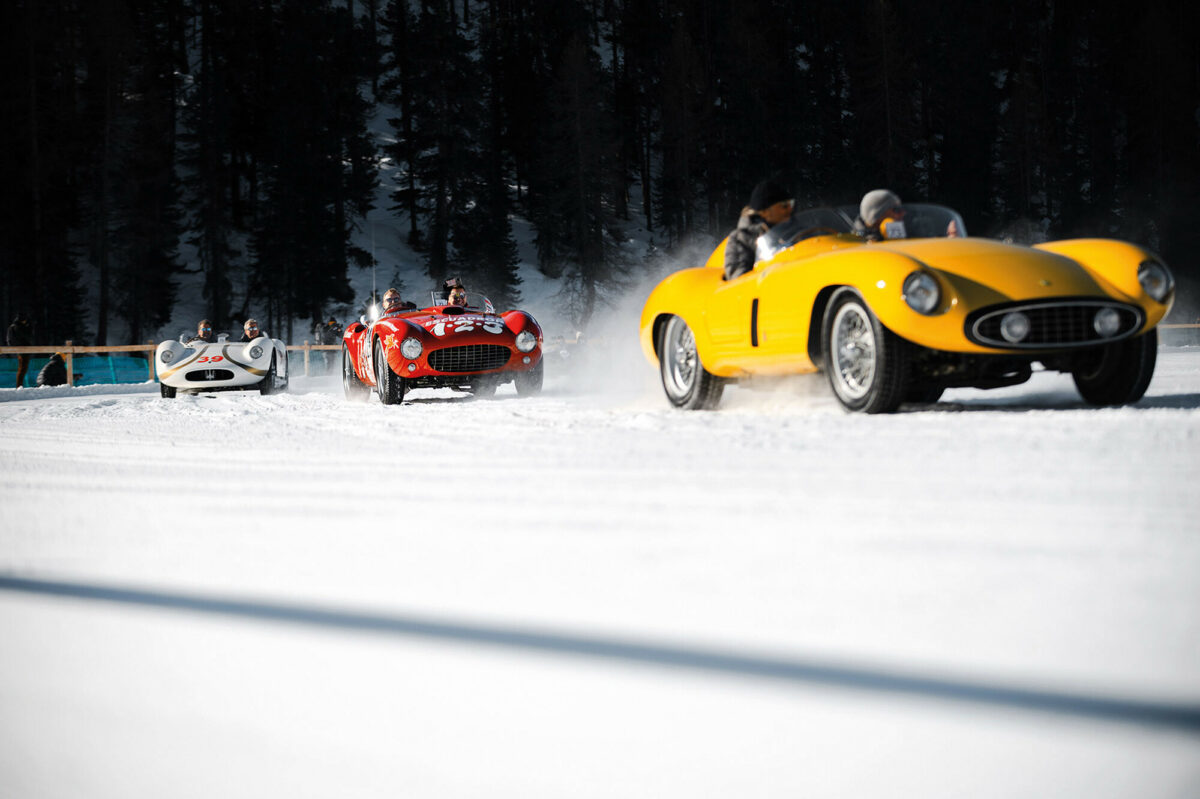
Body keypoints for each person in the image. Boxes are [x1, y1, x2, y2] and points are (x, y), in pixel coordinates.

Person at [724, 180, 795, 280]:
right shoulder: (741, 238)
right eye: (784, 205)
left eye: (791, 204)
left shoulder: (797, 232)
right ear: (765, 211)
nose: (789, 209)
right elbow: (739, 281)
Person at [7, 312, 32, 388]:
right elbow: (26, 337)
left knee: (22, 368)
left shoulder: (13, 327)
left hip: (18, 349)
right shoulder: (20, 327)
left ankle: (19, 385)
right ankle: (19, 386)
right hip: (23, 349)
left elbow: (9, 339)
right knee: (23, 368)